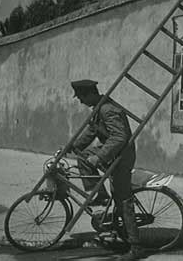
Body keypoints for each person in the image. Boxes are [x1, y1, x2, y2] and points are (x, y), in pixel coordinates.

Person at [70, 79, 146, 260]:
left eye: (81, 97)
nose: (80, 101)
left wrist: (100, 156)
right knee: (84, 156)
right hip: (113, 153)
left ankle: (136, 248)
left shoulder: (108, 109)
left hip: (122, 157)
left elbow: (120, 137)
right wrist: (73, 146)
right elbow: (91, 131)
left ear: (90, 94)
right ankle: (102, 196)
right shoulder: (98, 108)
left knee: (122, 199)